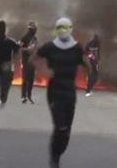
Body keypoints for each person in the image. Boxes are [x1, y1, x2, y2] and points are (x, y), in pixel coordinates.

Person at [31, 17, 91, 168]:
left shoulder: (77, 47)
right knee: (60, 127)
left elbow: (86, 63)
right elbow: (33, 59)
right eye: (60, 28)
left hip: (70, 92)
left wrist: (89, 65)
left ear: (70, 28)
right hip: (55, 91)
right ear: (56, 29)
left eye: (66, 27)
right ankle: (54, 159)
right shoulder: (50, 47)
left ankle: (58, 151)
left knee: (66, 131)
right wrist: (44, 71)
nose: (63, 31)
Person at [19, 21, 38, 104]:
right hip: (26, 60)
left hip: (32, 61)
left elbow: (35, 49)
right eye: (32, 29)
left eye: (34, 28)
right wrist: (27, 49)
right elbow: (20, 47)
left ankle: (29, 96)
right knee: (25, 78)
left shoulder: (35, 39)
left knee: (31, 79)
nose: (33, 30)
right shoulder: (24, 38)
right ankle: (23, 96)